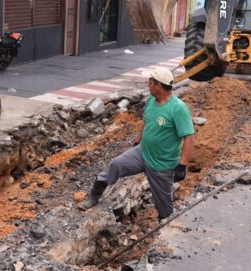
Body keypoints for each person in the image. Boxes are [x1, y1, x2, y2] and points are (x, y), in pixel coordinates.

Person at [78, 67, 195, 220]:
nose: (148, 85)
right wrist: (138, 141)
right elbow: (146, 122)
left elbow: (189, 137)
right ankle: (93, 197)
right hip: (143, 152)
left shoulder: (178, 109)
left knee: (165, 208)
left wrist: (182, 164)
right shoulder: (151, 101)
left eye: (150, 82)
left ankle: (162, 225)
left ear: (158, 85)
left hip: (163, 164)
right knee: (115, 165)